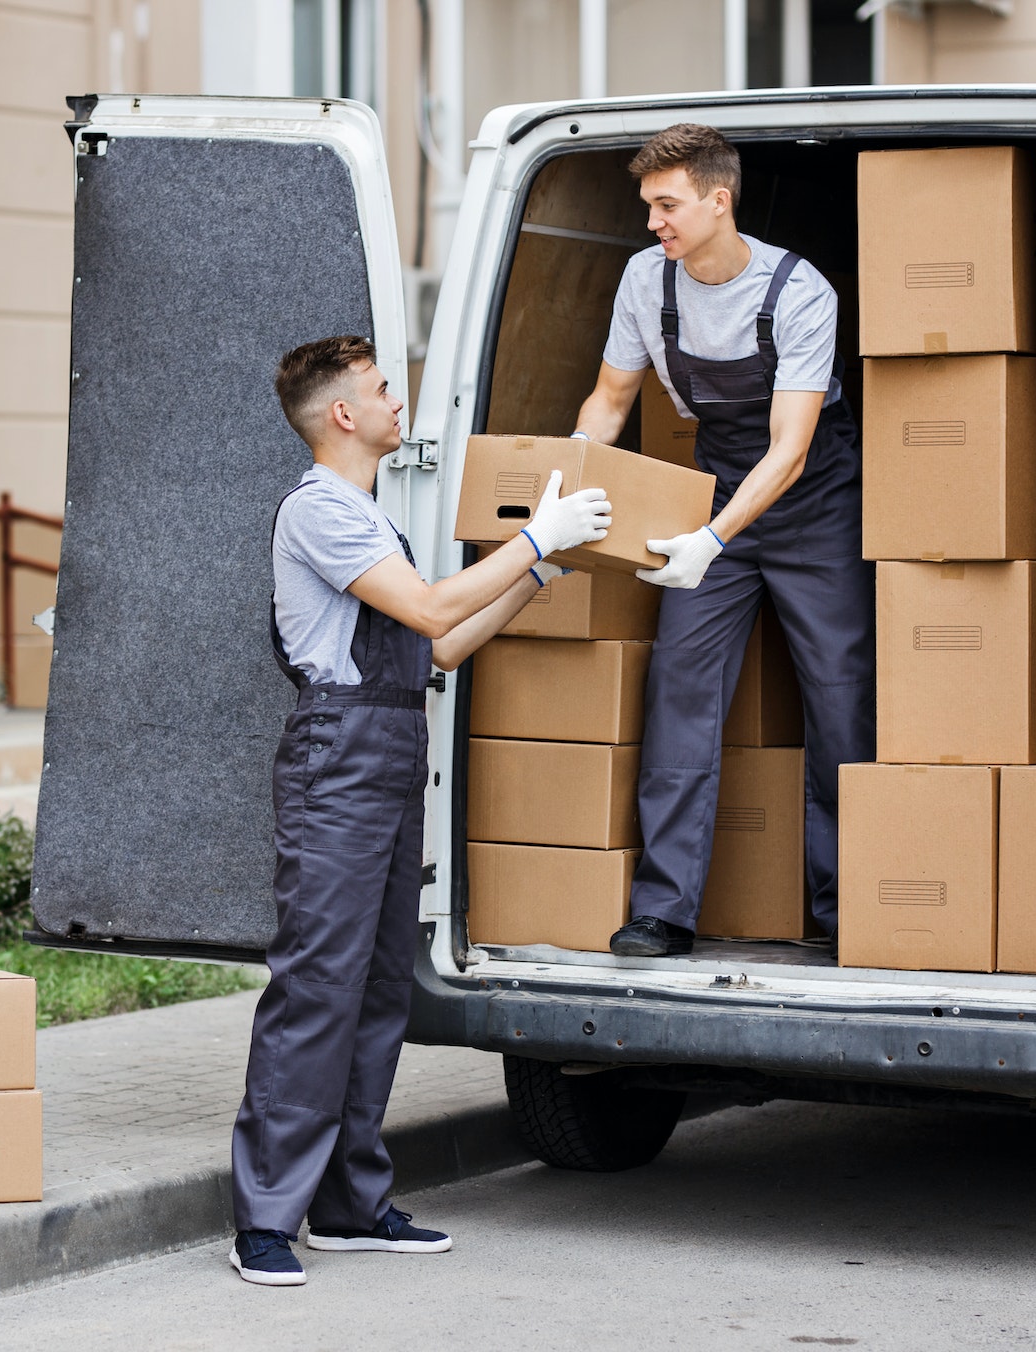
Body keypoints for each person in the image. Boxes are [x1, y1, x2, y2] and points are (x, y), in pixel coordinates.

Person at [229, 334, 612, 1286]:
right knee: (319, 986)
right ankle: (265, 1219)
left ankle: (350, 1205)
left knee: (378, 993)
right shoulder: (323, 511)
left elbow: (438, 649)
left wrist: (536, 575)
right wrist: (533, 538)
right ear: (343, 416)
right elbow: (437, 612)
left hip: (392, 746)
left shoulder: (371, 515)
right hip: (339, 756)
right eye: (381, 388)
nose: (399, 401)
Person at [570, 123, 874, 959]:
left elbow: (792, 448)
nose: (652, 222)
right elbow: (610, 398)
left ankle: (848, 907)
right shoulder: (645, 279)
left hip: (812, 504)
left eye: (666, 205)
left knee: (842, 700)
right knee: (680, 690)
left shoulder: (800, 291)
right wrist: (568, 479)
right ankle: (663, 909)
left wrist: (710, 538)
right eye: (648, 206)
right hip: (717, 502)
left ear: (718, 199)